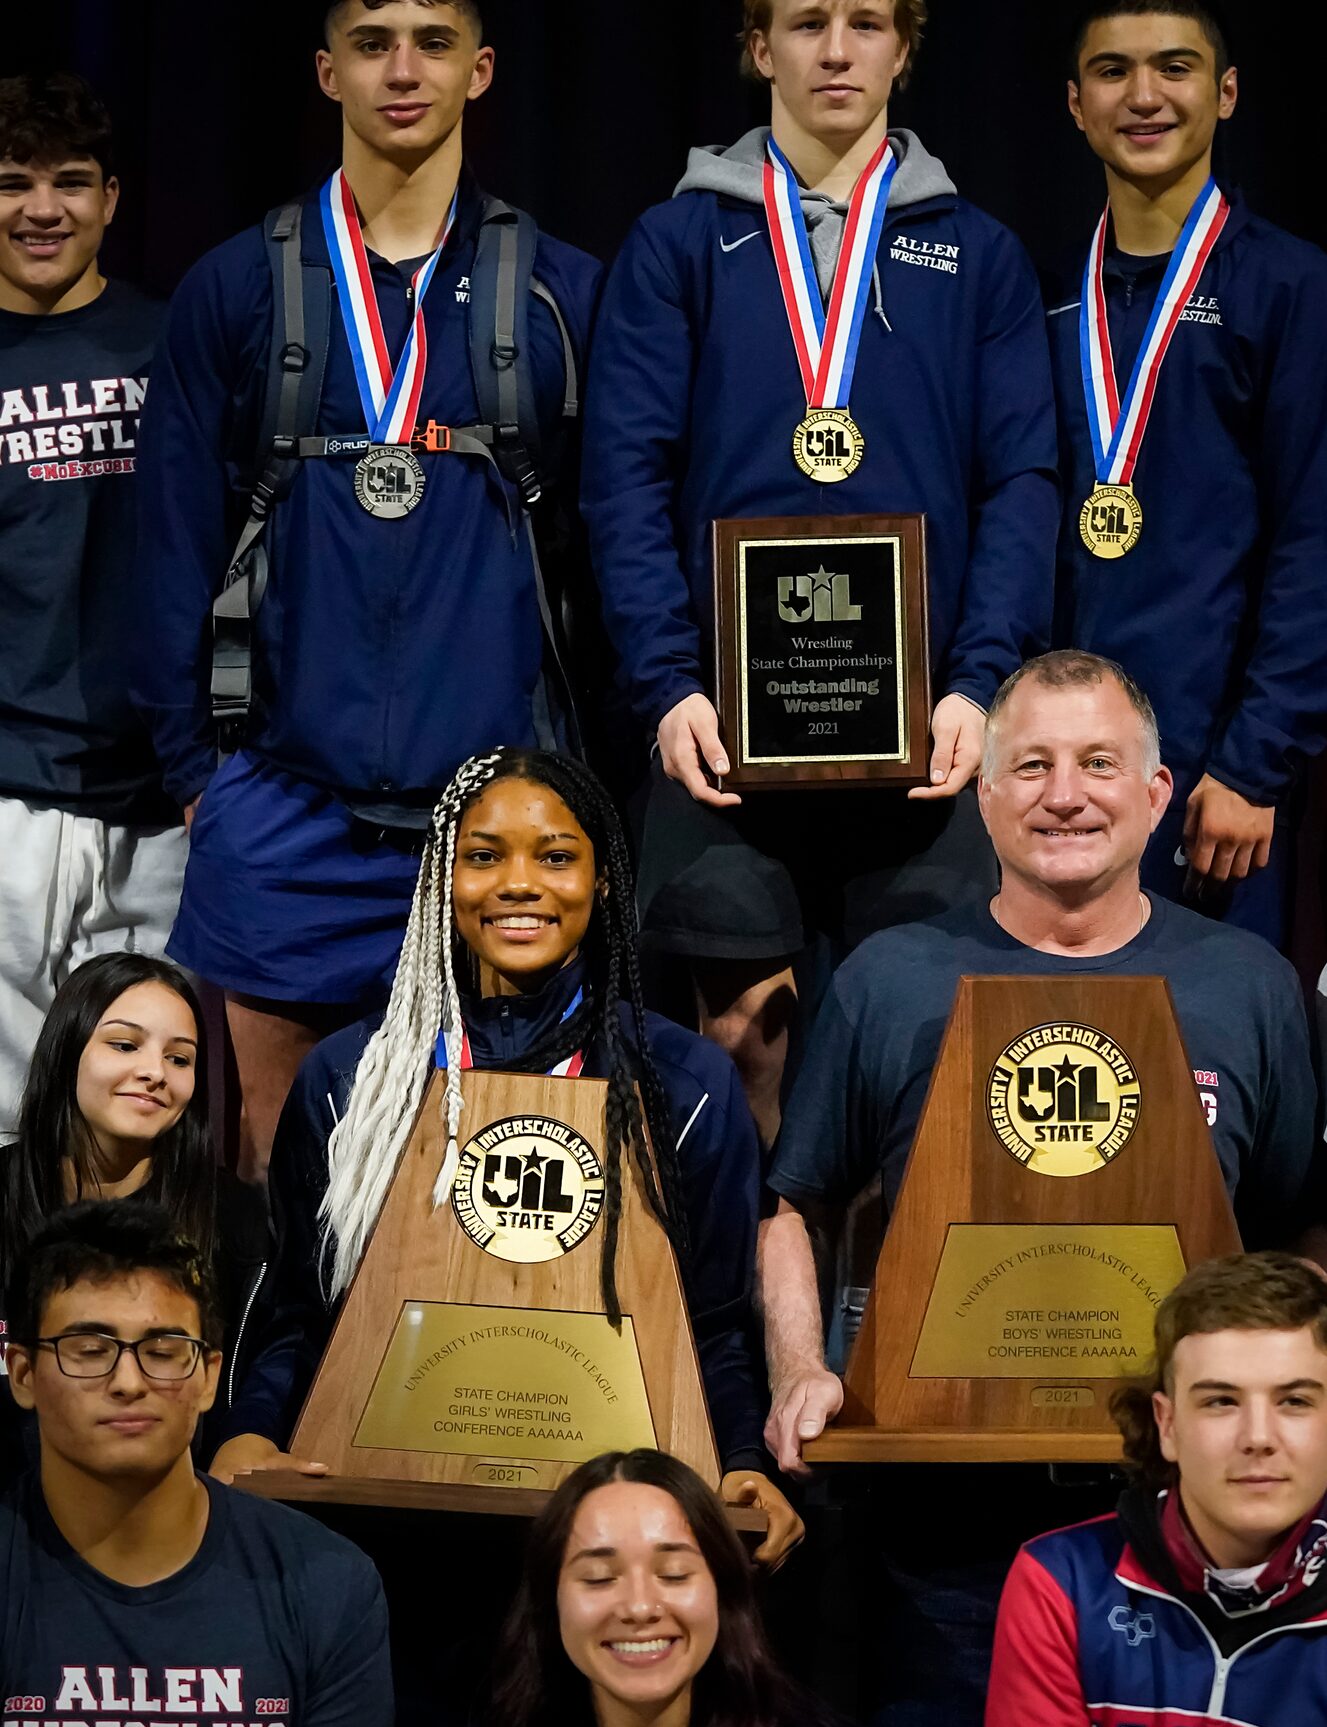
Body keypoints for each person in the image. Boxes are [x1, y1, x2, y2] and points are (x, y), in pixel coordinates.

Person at [760, 649, 1319, 1727]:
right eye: (1033, 766)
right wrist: (801, 1365)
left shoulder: (1248, 984)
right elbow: (788, 1202)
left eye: (1098, 764)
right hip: (943, 1548)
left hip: (1195, 1545)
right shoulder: (892, 976)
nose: (1065, 793)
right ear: (987, 796)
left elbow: (1290, 1236)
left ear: (1160, 790)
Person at [134, 0, 600, 1181]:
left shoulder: (562, 292)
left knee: (496, 1200)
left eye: (434, 43)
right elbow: (166, 548)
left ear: (482, 69)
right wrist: (202, 779)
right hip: (287, 817)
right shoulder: (234, 289)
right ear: (326, 71)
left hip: (498, 837)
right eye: (374, 43)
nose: (404, 70)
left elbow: (616, 552)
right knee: (269, 1193)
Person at [582, 0, 1058, 1146]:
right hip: (723, 747)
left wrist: (978, 686)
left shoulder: (977, 251)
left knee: (926, 1071)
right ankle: (747, 1326)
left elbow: (1025, 484)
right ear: (756, 49)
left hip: (926, 743)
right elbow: (624, 480)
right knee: (735, 1054)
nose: (835, 50)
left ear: (906, 46)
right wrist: (668, 687)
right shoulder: (679, 243)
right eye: (804, 23)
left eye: (864, 22)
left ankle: (882, 1323)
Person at [252, 746, 803, 1565]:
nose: (518, 882)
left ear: (604, 879)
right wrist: (247, 1433)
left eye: (555, 856)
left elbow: (714, 1325)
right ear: (444, 879)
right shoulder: (352, 1079)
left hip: (611, 1538)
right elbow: (295, 1304)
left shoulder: (682, 1087)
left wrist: (741, 1462)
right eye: (482, 856)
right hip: (383, 1519)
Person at [0, 1199, 394, 1727]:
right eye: (89, 1351)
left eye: (163, 1352)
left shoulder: (326, 1583)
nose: (129, 1382)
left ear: (210, 1376)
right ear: (23, 1374)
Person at [1047, 2, 1327, 944]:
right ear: (1076, 103)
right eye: (1113, 71)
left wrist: (1254, 764)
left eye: (1174, 67)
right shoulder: (1041, 294)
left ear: (1226, 92)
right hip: (1050, 782)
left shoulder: (1290, 288)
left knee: (1210, 1074)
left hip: (1217, 786)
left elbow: (1314, 541)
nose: (1144, 96)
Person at [376, 1447, 884, 1727]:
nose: (640, 1607)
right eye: (599, 1578)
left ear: (722, 1596)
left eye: (675, 1573)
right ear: (550, 1605)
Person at [987, 1251, 1327, 1727]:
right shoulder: (1062, 1584)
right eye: (1221, 1401)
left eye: (1296, 1401)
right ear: (1167, 1425)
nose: (1258, 1435)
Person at [0, 72, 184, 1143]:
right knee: (12, 1118)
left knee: (135, 1118)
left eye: (72, 182)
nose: (43, 208)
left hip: (155, 798)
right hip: (10, 791)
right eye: (14, 183)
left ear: (111, 199)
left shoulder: (174, 344)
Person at [0, 954, 300, 1482]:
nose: (154, 1073)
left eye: (180, 1059)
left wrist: (247, 1434)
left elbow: (273, 1347)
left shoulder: (233, 1217)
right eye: (124, 1045)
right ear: (67, 1050)